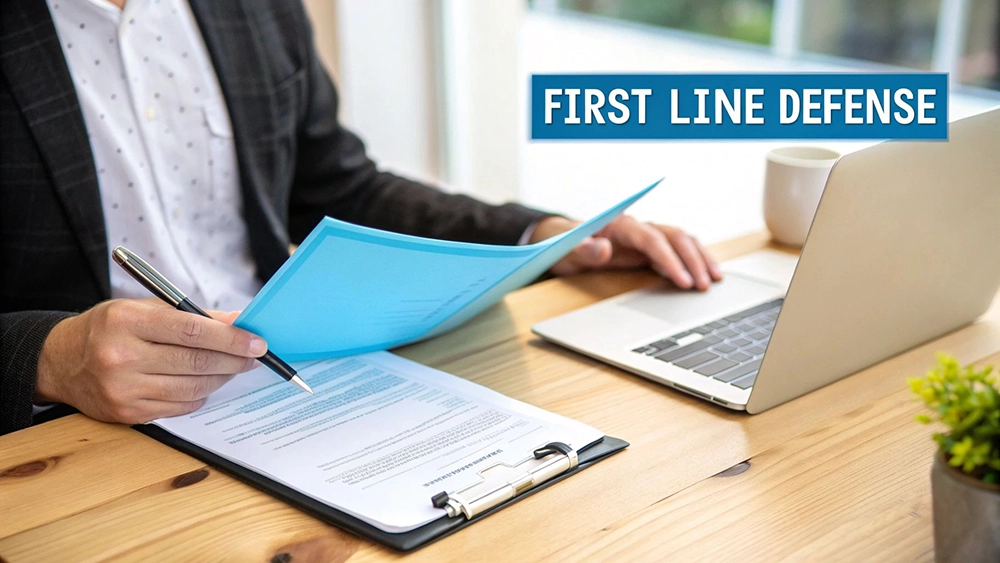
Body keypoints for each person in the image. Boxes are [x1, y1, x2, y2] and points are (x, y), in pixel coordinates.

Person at [0, 0, 721, 436]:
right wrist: (50, 358)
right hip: (70, 434)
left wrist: (544, 236)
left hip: (288, 389)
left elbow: (341, 185)